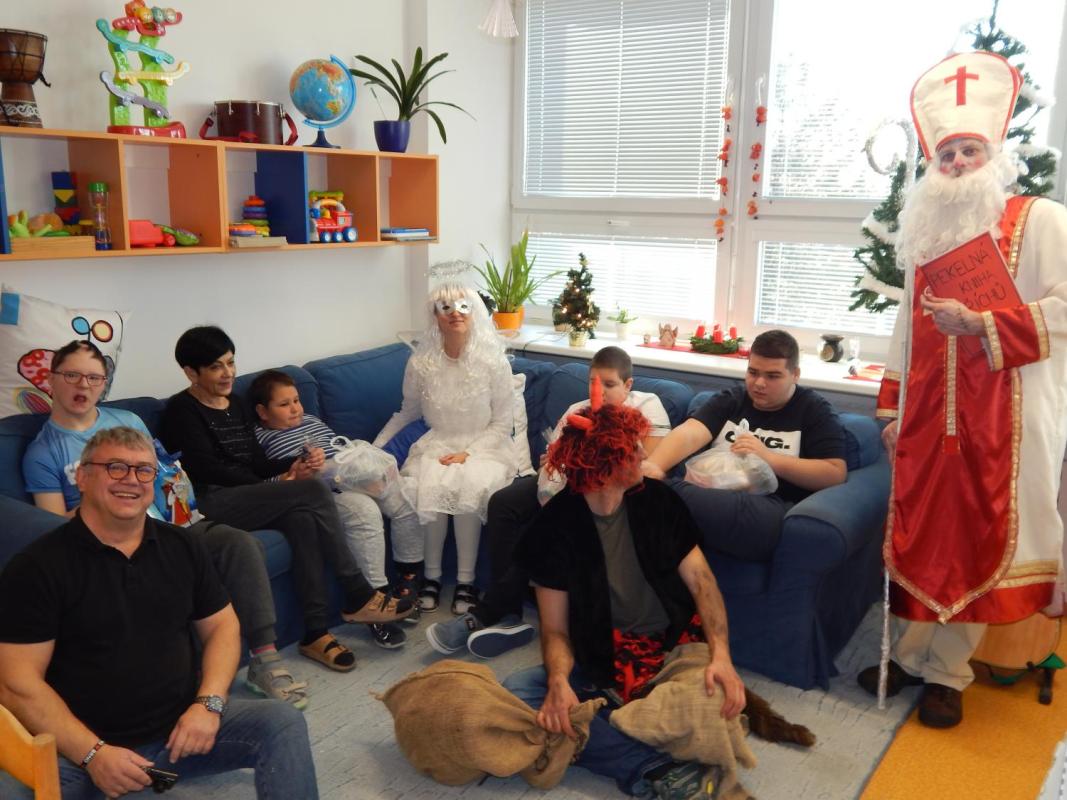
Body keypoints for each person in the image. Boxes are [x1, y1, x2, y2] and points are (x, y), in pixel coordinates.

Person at [857, 51, 1067, 728]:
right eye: (945, 154)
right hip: (927, 420)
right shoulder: (926, 235)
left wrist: (983, 324)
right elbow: (905, 334)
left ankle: (947, 674)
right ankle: (908, 656)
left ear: (994, 156)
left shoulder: (1041, 220)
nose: (955, 164)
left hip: (1009, 420)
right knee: (923, 536)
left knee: (981, 536)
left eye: (968, 150)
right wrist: (891, 409)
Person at [0, 427, 319, 799]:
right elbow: (16, 683)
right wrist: (93, 754)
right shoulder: (37, 567)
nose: (131, 480)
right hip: (81, 750)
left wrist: (208, 705)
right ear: (83, 477)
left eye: (143, 470)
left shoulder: (182, 545)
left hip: (179, 730)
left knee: (282, 722)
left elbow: (222, 627)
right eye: (115, 467)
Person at [21, 340, 309, 710]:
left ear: (104, 384)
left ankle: (264, 659)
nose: (83, 386)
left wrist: (174, 487)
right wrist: (105, 498)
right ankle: (182, 683)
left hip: (174, 523)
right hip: (117, 544)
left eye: (94, 378)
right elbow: (52, 527)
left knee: (240, 544)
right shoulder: (44, 452)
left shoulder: (128, 421)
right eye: (72, 375)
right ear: (51, 379)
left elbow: (163, 474)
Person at [501, 396, 745, 799]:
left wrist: (722, 656)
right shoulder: (553, 528)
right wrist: (559, 681)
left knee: (712, 696)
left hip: (672, 649)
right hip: (600, 654)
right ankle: (649, 765)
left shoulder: (659, 500)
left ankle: (608, 720)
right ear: (603, 469)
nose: (643, 455)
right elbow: (555, 629)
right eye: (632, 450)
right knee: (519, 692)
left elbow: (704, 583)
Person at [160, 325, 413, 671]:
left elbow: (256, 461)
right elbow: (206, 470)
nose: (228, 373)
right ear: (192, 372)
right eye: (216, 367)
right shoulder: (181, 411)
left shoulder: (235, 404)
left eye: (230, 362)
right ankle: (357, 592)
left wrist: (294, 463)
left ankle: (315, 633)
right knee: (312, 491)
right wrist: (278, 485)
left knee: (303, 517)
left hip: (248, 493)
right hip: (211, 500)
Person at [426, 345, 671, 657]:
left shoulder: (648, 406)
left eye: (609, 385)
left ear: (628, 385)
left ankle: (490, 613)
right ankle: (510, 615)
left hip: (612, 492)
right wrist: (556, 459)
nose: (599, 392)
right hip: (563, 482)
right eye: (593, 383)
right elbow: (552, 460)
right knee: (503, 503)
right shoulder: (576, 410)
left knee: (553, 526)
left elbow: (649, 466)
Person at [373, 282, 516, 615]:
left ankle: (466, 582)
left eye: (463, 306)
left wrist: (470, 453)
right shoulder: (420, 363)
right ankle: (432, 578)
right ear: (434, 316)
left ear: (475, 312)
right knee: (429, 480)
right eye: (445, 308)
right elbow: (407, 413)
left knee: (468, 481)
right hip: (437, 442)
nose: (455, 314)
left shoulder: (493, 362)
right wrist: (376, 450)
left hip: (484, 445)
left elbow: (502, 423)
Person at [642, 329, 847, 562]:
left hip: (766, 506)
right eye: (753, 372)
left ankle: (659, 494)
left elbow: (834, 473)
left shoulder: (814, 410)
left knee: (655, 495)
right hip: (707, 493)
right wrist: (653, 465)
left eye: (773, 376)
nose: (759, 383)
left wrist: (768, 457)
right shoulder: (733, 399)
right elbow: (691, 432)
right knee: (656, 498)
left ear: (795, 375)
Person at [250, 369, 421, 641]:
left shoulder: (312, 420)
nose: (295, 409)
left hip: (349, 474)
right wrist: (295, 475)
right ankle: (376, 602)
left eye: (296, 400)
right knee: (364, 511)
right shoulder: (260, 439)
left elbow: (341, 449)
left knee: (404, 498)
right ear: (262, 411)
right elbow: (264, 482)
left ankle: (408, 578)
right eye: (284, 404)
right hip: (323, 493)